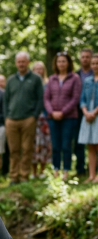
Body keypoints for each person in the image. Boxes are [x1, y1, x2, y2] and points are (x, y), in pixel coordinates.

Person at [4, 51, 44, 184]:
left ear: (28, 62)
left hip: (28, 119)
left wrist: (34, 116)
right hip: (12, 120)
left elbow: (40, 99)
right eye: (19, 62)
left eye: (23, 61)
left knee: (27, 149)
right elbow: (6, 100)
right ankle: (14, 177)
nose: (21, 64)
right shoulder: (10, 80)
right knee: (13, 150)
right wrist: (6, 117)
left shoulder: (36, 78)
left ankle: (24, 176)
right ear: (16, 63)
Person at [44, 52, 82, 181]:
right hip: (53, 118)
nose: (61, 64)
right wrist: (52, 112)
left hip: (69, 117)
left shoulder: (75, 78)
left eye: (63, 61)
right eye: (59, 61)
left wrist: (62, 112)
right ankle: (56, 170)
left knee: (66, 145)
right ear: (56, 63)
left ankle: (66, 171)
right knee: (55, 146)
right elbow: (46, 98)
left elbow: (75, 98)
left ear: (68, 63)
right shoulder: (52, 79)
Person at [78, 53, 98, 182]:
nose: (95, 66)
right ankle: (91, 175)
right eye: (93, 64)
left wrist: (94, 113)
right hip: (88, 116)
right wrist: (86, 112)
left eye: (97, 63)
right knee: (90, 146)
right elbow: (82, 100)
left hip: (96, 114)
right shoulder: (87, 81)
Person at [74, 49, 94, 176]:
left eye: (87, 57)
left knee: (94, 141)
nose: (85, 59)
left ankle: (94, 170)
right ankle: (80, 169)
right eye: (83, 57)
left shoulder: (95, 73)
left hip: (94, 111)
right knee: (78, 141)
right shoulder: (75, 75)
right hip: (78, 111)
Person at [31, 61, 52, 179]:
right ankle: (33, 172)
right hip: (32, 118)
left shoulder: (48, 83)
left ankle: (42, 170)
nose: (38, 71)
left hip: (45, 118)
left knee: (44, 144)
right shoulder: (31, 83)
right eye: (36, 69)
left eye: (40, 69)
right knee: (34, 144)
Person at [0, 74, 10, 176]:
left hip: (6, 125)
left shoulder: (7, 94)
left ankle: (5, 172)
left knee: (6, 150)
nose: (0, 83)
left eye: (2, 81)